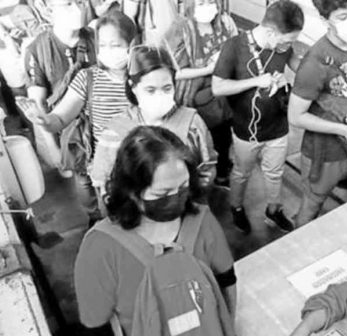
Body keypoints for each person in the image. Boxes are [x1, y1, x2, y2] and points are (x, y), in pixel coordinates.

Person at [74, 125, 237, 336]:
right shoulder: (101, 248)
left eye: (183, 188)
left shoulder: (201, 218)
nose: (176, 199)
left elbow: (227, 278)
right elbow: (95, 331)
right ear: (132, 192)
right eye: (162, 193)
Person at [19, 10, 136, 225]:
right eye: (103, 46)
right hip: (106, 170)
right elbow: (60, 118)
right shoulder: (87, 78)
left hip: (141, 163)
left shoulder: (142, 77)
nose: (109, 51)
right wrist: (44, 120)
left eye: (117, 45)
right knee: (116, 219)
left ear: (132, 44)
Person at [289, 0, 347, 227]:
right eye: (343, 17)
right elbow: (296, 116)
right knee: (313, 201)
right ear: (324, 20)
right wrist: (344, 130)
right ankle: (301, 236)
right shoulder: (314, 63)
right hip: (325, 149)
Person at [212, 0, 304, 233]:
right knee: (242, 173)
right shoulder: (234, 47)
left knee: (275, 172)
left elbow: (301, 70)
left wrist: (289, 81)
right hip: (246, 129)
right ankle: (236, 208)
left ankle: (274, 210)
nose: (288, 46)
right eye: (287, 41)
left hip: (277, 127)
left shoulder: (283, 48)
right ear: (271, 33)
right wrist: (256, 81)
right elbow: (218, 87)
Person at [91, 46, 216, 193]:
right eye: (150, 90)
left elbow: (207, 169)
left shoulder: (191, 123)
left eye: (167, 88)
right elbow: (104, 184)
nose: (160, 96)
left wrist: (197, 190)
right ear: (133, 87)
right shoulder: (117, 131)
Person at [164, 0, 237, 190]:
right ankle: (195, 183)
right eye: (201, 2)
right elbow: (175, 71)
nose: (208, 6)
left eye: (211, 2)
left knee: (223, 137)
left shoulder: (224, 23)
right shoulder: (180, 30)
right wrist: (208, 69)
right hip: (194, 97)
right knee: (198, 142)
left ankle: (222, 174)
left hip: (224, 95)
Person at [23, 0, 97, 173]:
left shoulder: (98, 38)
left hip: (103, 127)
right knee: (84, 184)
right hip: (68, 134)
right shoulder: (37, 51)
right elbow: (39, 105)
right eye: (68, 4)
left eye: (80, 2)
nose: (78, 10)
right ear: (49, 10)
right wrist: (54, 147)